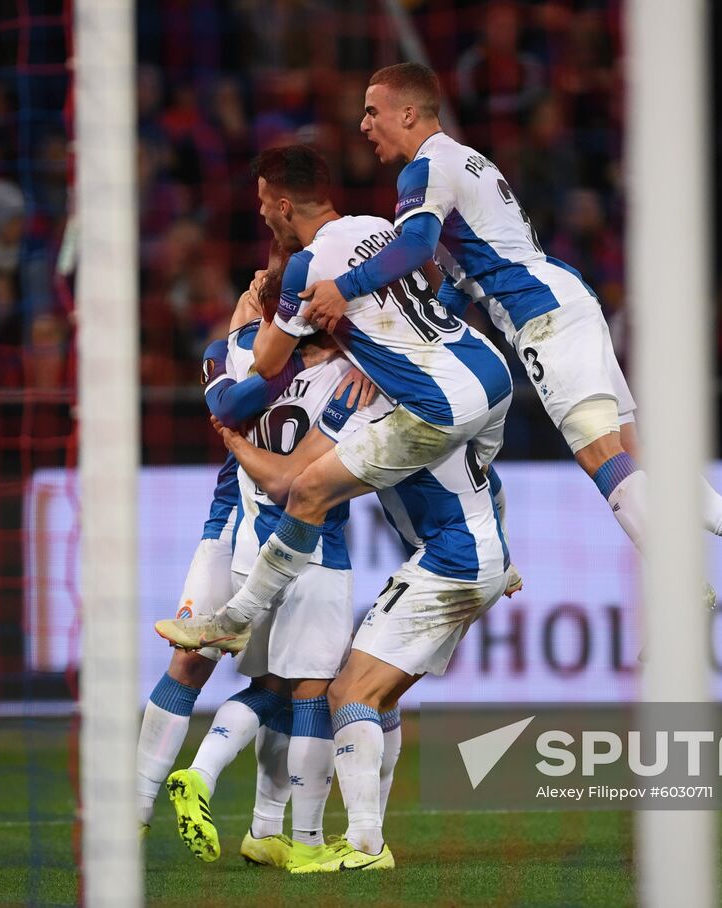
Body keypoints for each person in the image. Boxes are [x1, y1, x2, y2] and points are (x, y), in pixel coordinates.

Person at [298, 63, 722, 623]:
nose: (364, 125)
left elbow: (414, 248)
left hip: (543, 321)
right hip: (570, 300)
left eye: (373, 111)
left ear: (408, 113)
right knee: (635, 454)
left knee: (602, 460)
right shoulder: (471, 161)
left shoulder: (424, 170)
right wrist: (412, 342)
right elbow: (465, 287)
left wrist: (344, 289)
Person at [155, 144, 515, 648]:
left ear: (284, 207)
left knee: (307, 492)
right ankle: (504, 558)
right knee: (471, 470)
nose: (260, 213)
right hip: (490, 373)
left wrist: (254, 316)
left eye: (263, 202)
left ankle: (235, 623)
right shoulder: (376, 226)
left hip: (438, 402)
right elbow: (433, 283)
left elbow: (267, 362)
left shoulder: (306, 266)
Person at [210, 363, 513, 873]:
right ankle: (367, 830)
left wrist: (235, 440)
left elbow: (294, 485)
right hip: (472, 556)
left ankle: (367, 842)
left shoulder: (382, 418)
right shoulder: (444, 411)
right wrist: (505, 556)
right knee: (379, 692)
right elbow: (494, 487)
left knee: (348, 692)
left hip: (450, 560)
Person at [164, 261, 378, 870]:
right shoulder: (351, 378)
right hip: (313, 554)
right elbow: (296, 484)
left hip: (252, 554)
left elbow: (241, 356)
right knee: (311, 693)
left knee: (268, 688)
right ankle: (307, 843)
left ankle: (222, 793)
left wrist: (234, 441)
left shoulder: (234, 360)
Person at [132, 264, 315, 846]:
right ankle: (260, 826)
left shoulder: (229, 350)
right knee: (282, 683)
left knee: (192, 665)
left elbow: (231, 395)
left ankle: (137, 813)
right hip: (262, 532)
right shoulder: (329, 360)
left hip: (227, 527)